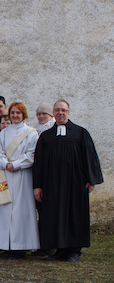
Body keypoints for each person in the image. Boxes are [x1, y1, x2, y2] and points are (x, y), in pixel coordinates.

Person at [33, 100, 103, 263]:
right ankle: (59, 249)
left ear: (68, 112)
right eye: (57, 110)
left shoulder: (80, 133)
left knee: (74, 214)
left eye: (63, 110)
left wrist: (91, 179)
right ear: (53, 113)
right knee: (54, 215)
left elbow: (89, 156)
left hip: (75, 184)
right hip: (52, 185)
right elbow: (38, 163)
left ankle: (74, 251)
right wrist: (37, 186)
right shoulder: (46, 136)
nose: (60, 113)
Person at [0, 102, 39, 259]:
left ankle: (21, 245)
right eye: (12, 112)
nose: (15, 115)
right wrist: (6, 164)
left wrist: (16, 164)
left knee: (21, 210)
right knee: (5, 207)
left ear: (23, 114)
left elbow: (31, 154)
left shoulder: (31, 133)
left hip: (23, 176)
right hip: (5, 175)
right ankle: (5, 244)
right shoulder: (4, 133)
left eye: (18, 113)